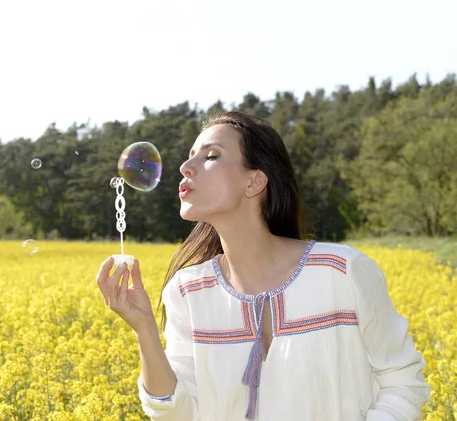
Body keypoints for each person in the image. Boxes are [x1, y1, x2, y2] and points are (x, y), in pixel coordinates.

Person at [95, 111, 431, 420]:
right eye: (189, 156)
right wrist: (144, 330)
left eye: (211, 156)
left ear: (254, 182)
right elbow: (176, 413)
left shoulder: (342, 271)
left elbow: (404, 383)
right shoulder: (187, 291)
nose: (185, 166)